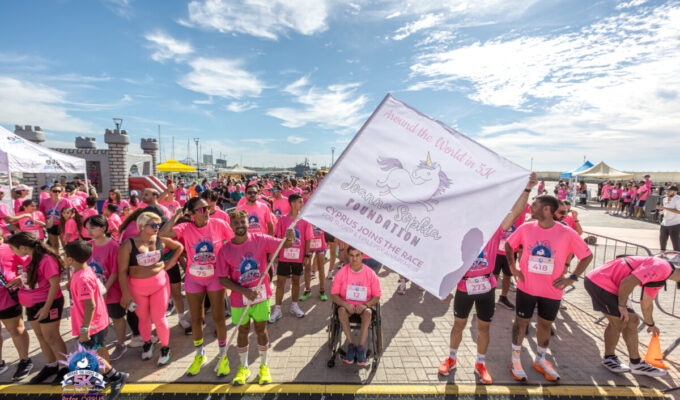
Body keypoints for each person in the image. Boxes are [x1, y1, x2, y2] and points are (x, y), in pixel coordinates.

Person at [439, 173, 537, 384]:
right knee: (458, 325)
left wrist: (527, 189)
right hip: (465, 287)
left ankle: (480, 364)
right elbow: (446, 263)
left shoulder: (493, 231)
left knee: (484, 328)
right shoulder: (457, 236)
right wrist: (444, 289)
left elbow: (516, 211)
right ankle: (451, 359)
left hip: (487, 286)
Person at [505, 195, 593, 382]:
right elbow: (508, 244)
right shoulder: (526, 227)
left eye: (534, 205)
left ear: (546, 209)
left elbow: (587, 255)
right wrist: (513, 268)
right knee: (521, 323)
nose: (531, 208)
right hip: (527, 287)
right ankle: (515, 359)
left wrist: (573, 277)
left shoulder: (566, 232)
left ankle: (541, 359)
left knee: (546, 325)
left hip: (552, 290)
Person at [217, 209, 295, 385]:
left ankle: (264, 366)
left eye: (243, 222)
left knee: (261, 330)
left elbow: (286, 245)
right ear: (231, 225)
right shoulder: (225, 249)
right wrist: (243, 291)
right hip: (239, 299)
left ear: (248, 223)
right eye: (236, 223)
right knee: (242, 331)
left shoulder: (260, 238)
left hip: (261, 296)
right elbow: (222, 279)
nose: (240, 226)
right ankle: (243, 367)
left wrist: (289, 237)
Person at [160, 197, 234, 376]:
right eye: (201, 210)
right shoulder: (186, 227)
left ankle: (223, 355)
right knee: (196, 319)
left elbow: (233, 243)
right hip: (194, 279)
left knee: (218, 318)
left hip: (215, 277)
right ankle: (200, 354)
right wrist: (177, 214)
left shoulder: (219, 224)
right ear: (191, 214)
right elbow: (162, 232)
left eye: (207, 208)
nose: (207, 211)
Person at [585, 256, 678, 376]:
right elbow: (627, 282)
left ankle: (636, 363)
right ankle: (609, 358)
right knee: (619, 321)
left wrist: (651, 325)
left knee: (633, 321)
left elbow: (646, 303)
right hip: (600, 281)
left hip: (612, 284)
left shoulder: (663, 275)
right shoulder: (661, 267)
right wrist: (622, 306)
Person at [64, 240, 128, 398]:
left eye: (64, 255)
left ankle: (116, 377)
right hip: (96, 322)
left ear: (71, 259)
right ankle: (103, 378)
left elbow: (90, 305)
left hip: (91, 325)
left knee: (89, 356)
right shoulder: (84, 271)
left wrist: (85, 329)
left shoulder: (82, 278)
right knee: (97, 351)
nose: (62, 257)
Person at [119, 212, 183, 366]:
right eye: (153, 225)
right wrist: (125, 294)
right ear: (142, 226)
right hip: (137, 287)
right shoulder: (128, 244)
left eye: (158, 225)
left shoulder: (161, 240)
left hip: (159, 284)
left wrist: (168, 264)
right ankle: (147, 343)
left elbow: (179, 247)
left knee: (159, 318)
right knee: (144, 318)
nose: (157, 228)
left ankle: (165, 348)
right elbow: (122, 271)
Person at [7, 232, 68, 384]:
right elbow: (35, 277)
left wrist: (47, 308)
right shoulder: (29, 259)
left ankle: (65, 367)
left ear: (22, 247)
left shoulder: (47, 260)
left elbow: (54, 285)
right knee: (41, 336)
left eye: (13, 249)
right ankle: (51, 365)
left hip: (47, 303)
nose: (13, 252)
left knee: (52, 337)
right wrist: (21, 280)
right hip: (33, 304)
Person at [85, 215, 127, 361]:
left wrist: (104, 290)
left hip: (111, 290)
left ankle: (121, 343)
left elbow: (116, 271)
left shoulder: (113, 246)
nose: (89, 231)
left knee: (117, 317)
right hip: (93, 292)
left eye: (93, 228)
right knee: (99, 319)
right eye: (87, 228)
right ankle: (101, 344)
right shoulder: (88, 245)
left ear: (103, 228)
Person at [331, 246, 381, 366]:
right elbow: (334, 295)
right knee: (341, 311)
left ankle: (361, 348)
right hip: (347, 306)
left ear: (362, 256)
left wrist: (365, 305)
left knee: (368, 313)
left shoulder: (370, 273)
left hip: (364, 307)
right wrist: (345, 304)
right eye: (352, 255)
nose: (354, 258)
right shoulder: (341, 273)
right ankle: (351, 344)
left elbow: (377, 296)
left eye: (357, 255)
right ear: (348, 257)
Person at [270, 193, 313, 322]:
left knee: (296, 282)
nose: (302, 204)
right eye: (300, 202)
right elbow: (277, 237)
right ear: (293, 203)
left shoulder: (305, 220)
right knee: (281, 283)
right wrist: (276, 254)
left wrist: (306, 255)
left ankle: (294, 305)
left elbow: (308, 239)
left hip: (298, 257)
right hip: (284, 256)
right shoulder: (282, 219)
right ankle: (277, 309)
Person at [0, 232, 32, 381]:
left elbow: (31, 262)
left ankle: (24, 360)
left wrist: (21, 277)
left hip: (7, 298)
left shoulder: (8, 248)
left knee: (16, 331)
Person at [38, 184, 74, 251]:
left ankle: (66, 260)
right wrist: (43, 222)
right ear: (50, 192)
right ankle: (58, 260)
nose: (57, 193)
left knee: (65, 245)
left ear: (61, 192)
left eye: (58, 191)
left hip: (63, 224)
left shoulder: (66, 201)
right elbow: (40, 212)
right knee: (54, 245)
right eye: (54, 191)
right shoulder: (44, 201)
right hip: (51, 225)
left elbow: (73, 212)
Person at [658, 186, 680, 252]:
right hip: (665, 222)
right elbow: (667, 209)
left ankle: (677, 255)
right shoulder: (665, 199)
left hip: (675, 223)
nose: (667, 192)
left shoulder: (678, 199)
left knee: (675, 240)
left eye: (670, 191)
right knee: (662, 239)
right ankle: (662, 252)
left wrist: (665, 209)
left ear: (675, 192)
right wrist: (663, 212)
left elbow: (679, 211)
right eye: (667, 190)